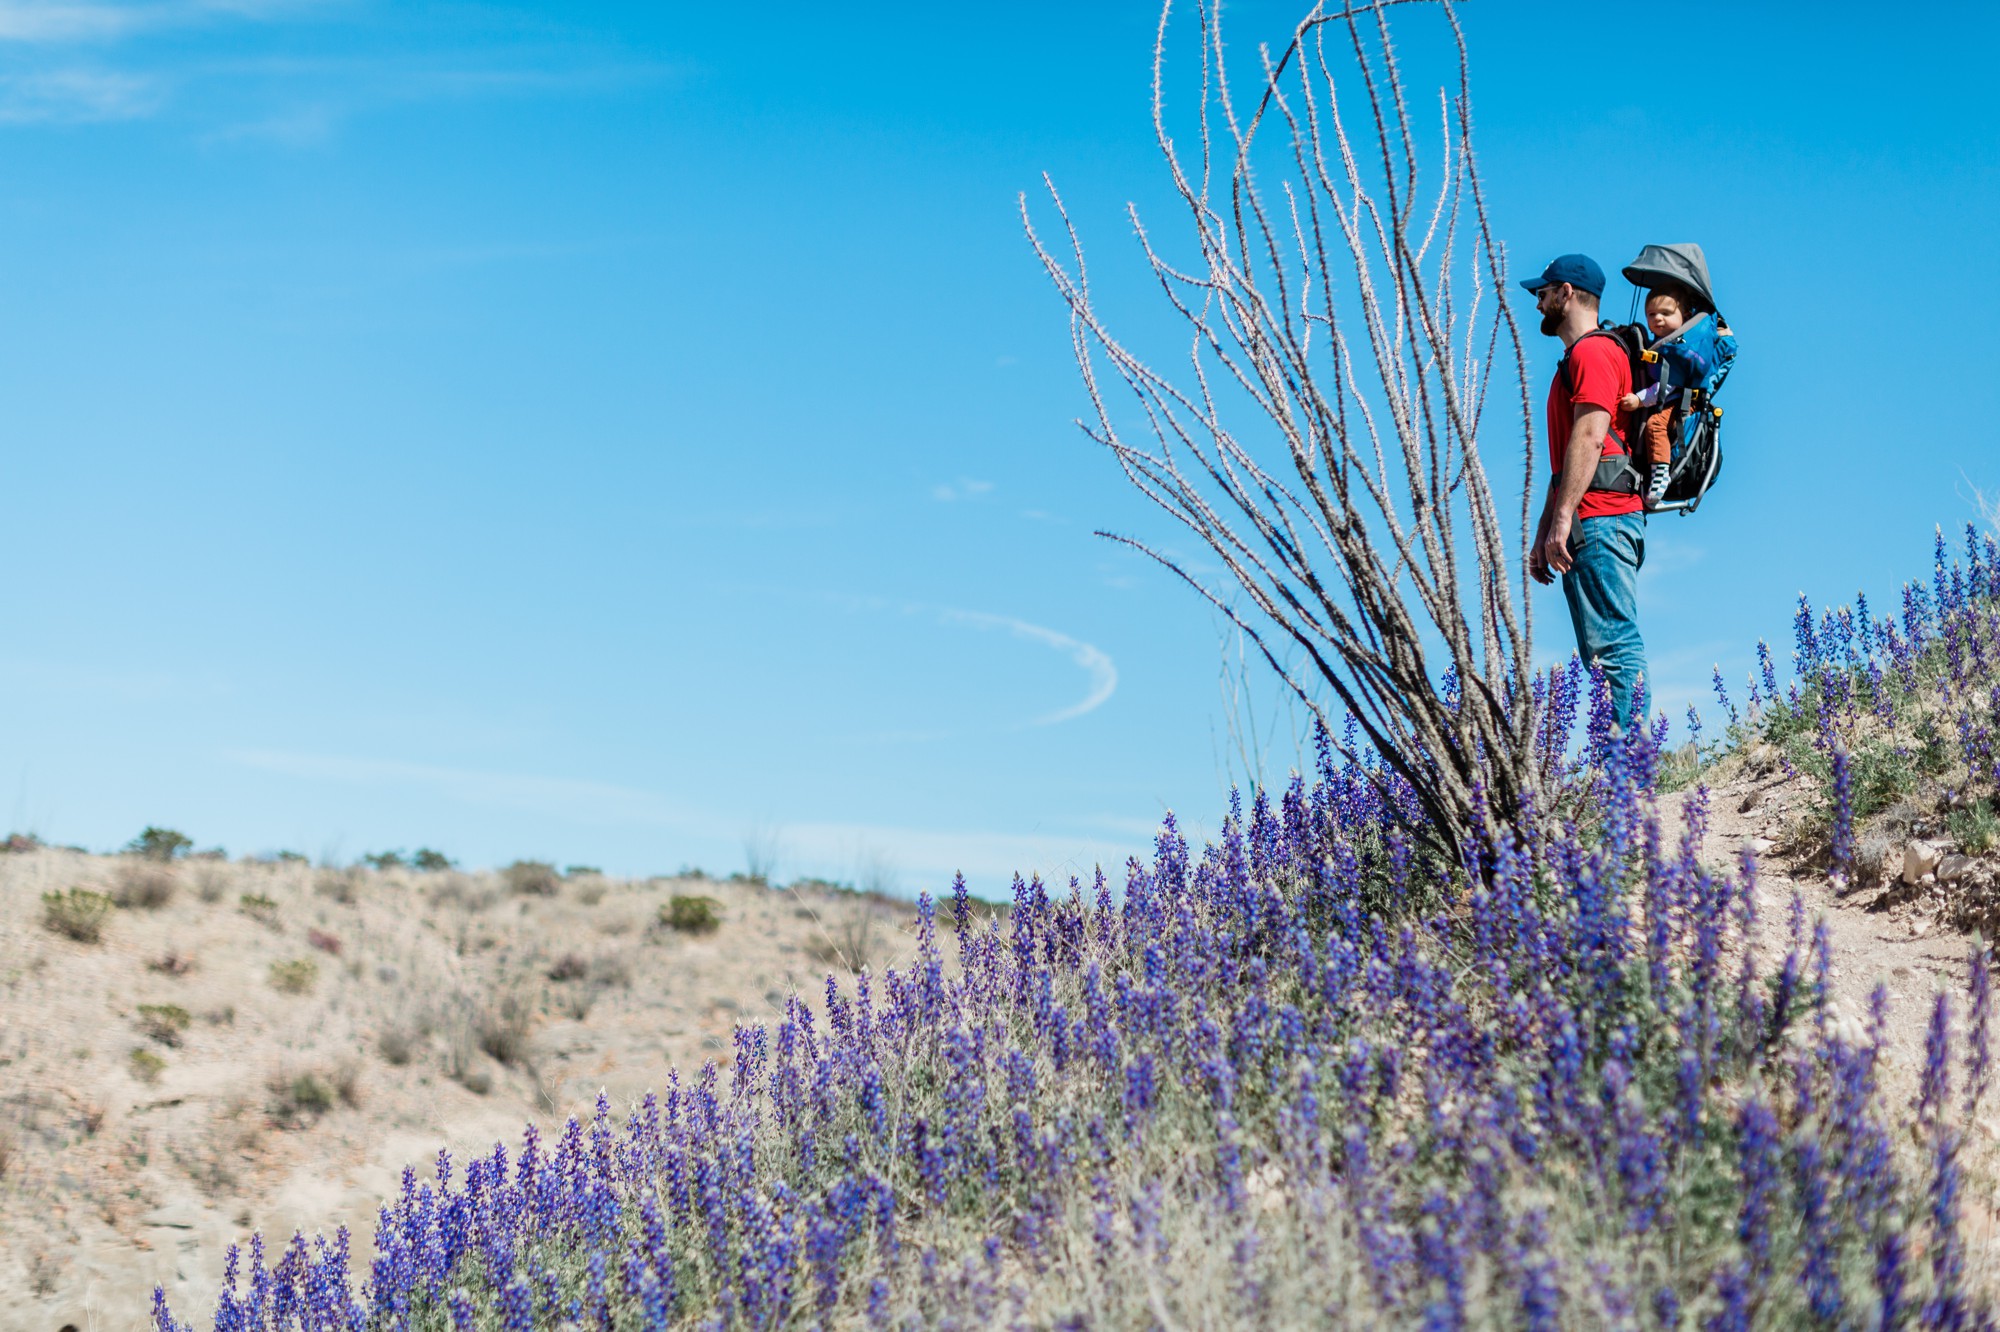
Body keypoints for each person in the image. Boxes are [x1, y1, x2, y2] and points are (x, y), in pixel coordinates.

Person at [1522, 253, 1649, 730]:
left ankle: (1632, 768)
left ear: (1566, 294)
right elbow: (1565, 463)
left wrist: (1562, 520)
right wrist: (1546, 531)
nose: (1538, 304)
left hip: (1602, 519)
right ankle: (1620, 763)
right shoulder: (1574, 361)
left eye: (1543, 293)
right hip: (1588, 521)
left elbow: (1592, 436)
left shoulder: (1594, 353)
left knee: (1613, 645)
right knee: (1598, 652)